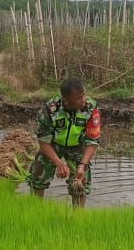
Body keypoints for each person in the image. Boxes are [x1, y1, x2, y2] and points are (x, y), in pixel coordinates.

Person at [27, 77, 100, 208]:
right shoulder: (50, 110)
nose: (83, 100)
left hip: (77, 145)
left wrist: (82, 165)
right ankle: (34, 211)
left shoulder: (91, 108)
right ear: (66, 100)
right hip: (53, 144)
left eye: (83, 95)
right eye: (78, 98)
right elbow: (43, 142)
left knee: (81, 182)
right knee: (38, 176)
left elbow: (92, 141)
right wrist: (58, 163)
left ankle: (78, 218)